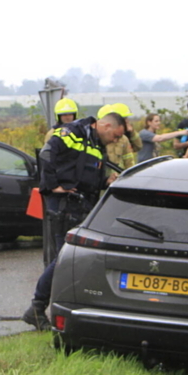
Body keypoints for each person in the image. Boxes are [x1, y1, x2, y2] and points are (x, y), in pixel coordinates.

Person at [21, 111, 127, 330]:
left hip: (81, 205)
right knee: (64, 260)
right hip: (64, 205)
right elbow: (46, 155)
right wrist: (52, 186)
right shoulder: (73, 133)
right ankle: (37, 307)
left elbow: (85, 175)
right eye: (115, 136)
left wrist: (105, 181)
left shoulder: (96, 144)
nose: (116, 141)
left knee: (71, 259)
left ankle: (48, 308)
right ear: (106, 126)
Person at [99, 103, 142, 176]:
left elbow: (137, 147)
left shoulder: (124, 139)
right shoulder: (98, 138)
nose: (127, 121)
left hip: (118, 176)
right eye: (125, 119)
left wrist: (132, 133)